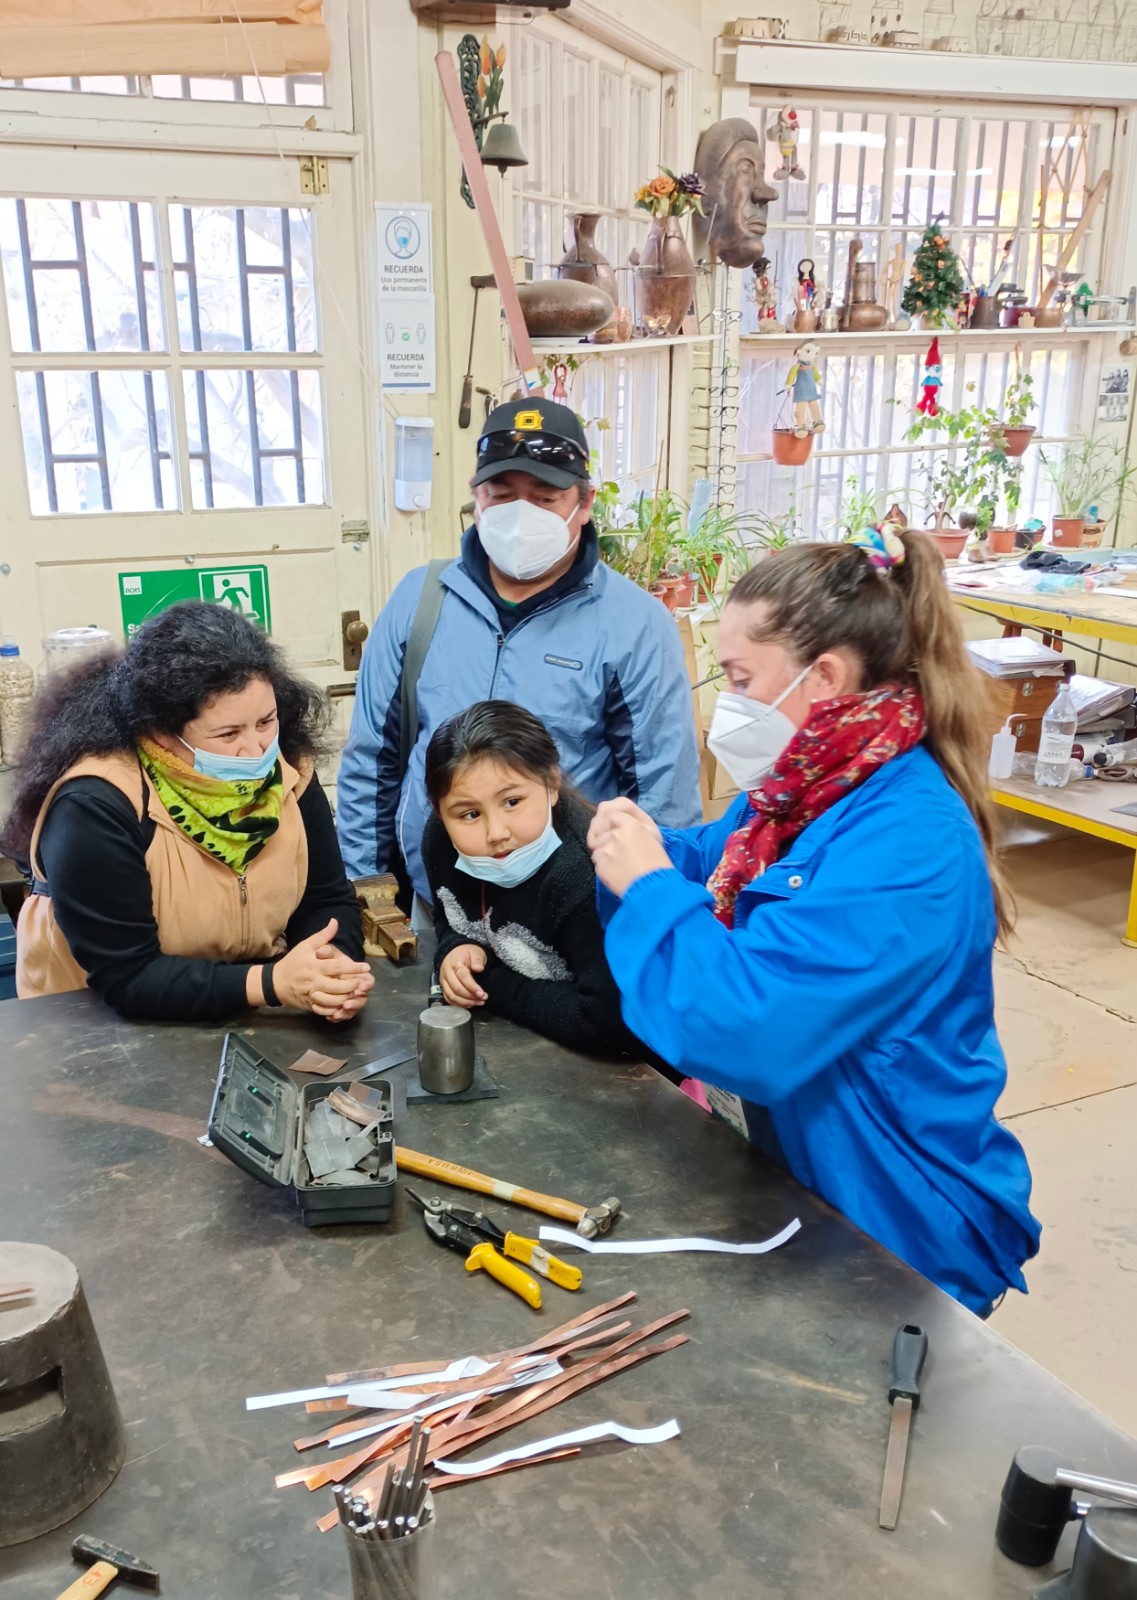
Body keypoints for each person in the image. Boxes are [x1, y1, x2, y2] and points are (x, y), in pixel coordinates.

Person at [588, 528, 1041, 1315]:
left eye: (737, 678)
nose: (725, 706)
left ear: (822, 677)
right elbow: (724, 858)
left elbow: (752, 1028)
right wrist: (638, 846)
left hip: (897, 1216)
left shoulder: (909, 842)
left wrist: (652, 887)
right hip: (808, 1178)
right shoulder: (810, 782)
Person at [336, 398, 700, 904]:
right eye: (502, 496)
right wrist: (369, 888)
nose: (520, 515)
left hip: (572, 912)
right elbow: (372, 759)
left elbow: (663, 795)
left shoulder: (634, 624)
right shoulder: (420, 600)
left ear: (585, 501)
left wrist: (651, 910)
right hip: (434, 901)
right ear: (476, 497)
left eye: (545, 498)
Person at [6, 602, 372, 1024]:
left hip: (240, 1002)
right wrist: (271, 983)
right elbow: (129, 978)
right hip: (96, 1025)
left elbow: (325, 898)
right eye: (228, 733)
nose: (257, 750)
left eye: (266, 721)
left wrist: (330, 968)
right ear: (162, 731)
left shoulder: (290, 774)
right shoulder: (95, 806)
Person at [421, 700, 637, 1060]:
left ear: (551, 784)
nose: (496, 833)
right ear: (441, 813)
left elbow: (610, 1026)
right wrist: (454, 949)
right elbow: (451, 914)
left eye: (512, 802)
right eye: (470, 814)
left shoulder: (588, 875)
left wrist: (489, 980)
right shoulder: (441, 840)